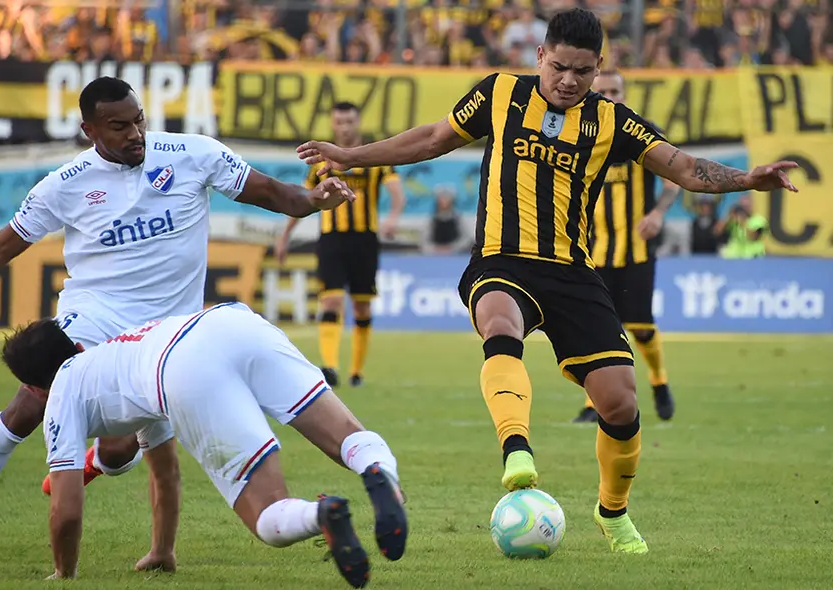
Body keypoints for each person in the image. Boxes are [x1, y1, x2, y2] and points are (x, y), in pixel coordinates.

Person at [296, 7, 797, 554]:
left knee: (621, 404)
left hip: (572, 271)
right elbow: (432, 139)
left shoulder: (612, 120)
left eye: (582, 71)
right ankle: (517, 451)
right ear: (540, 55)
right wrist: (351, 156)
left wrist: (747, 178)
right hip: (501, 258)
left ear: (598, 66)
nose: (568, 81)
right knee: (497, 318)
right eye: (559, 67)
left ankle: (613, 512)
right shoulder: (500, 94)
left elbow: (681, 167)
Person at [0, 77, 356, 557]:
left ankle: (103, 469)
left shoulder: (193, 154)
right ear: (89, 130)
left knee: (118, 453)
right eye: (120, 126)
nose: (135, 134)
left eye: (139, 120)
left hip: (170, 336)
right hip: (94, 320)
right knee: (28, 404)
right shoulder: (65, 184)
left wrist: (314, 200)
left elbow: (272, 193)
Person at [0, 302, 407, 587]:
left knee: (267, 515)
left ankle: (324, 513)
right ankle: (378, 473)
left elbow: (66, 508)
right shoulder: (118, 353)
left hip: (181, 368)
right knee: (346, 435)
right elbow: (163, 471)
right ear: (76, 347)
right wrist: (162, 552)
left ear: (35, 388)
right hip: (230, 322)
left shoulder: (61, 394)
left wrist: (63, 574)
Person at [572, 70, 680, 424]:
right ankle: (594, 404)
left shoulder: (641, 133)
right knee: (596, 329)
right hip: (591, 252)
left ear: (624, 93)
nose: (609, 96)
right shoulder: (578, 131)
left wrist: (658, 213)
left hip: (635, 250)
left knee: (641, 326)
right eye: (602, 91)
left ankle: (660, 381)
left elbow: (674, 179)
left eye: (614, 91)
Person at [274, 102, 406, 388]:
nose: (344, 127)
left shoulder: (374, 157)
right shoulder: (321, 162)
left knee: (361, 308)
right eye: (339, 122)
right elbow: (304, 201)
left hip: (365, 240)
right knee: (331, 300)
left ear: (357, 123)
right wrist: (284, 237)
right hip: (331, 239)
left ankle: (357, 371)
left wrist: (394, 217)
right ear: (332, 125)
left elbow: (397, 192)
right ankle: (330, 367)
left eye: (349, 121)